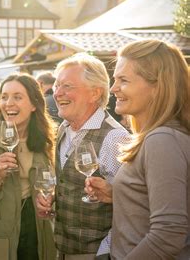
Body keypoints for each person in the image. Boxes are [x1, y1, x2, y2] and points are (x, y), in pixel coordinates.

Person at [85, 40, 190, 259]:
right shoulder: (162, 137)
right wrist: (120, 195)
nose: (113, 89)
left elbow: (169, 233)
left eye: (123, 80)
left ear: (158, 86)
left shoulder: (162, 140)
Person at [36, 53, 129, 260]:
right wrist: (55, 197)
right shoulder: (64, 128)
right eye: (57, 85)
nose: (57, 93)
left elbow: (131, 204)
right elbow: (72, 183)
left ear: (95, 93)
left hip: (97, 253)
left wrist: (104, 253)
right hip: (62, 249)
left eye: (67, 86)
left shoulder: (115, 137)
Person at [0, 73, 57, 260]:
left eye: (17, 97)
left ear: (34, 104)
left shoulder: (45, 141)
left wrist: (51, 196)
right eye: (4, 97)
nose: (9, 103)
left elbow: (53, 182)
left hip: (36, 227)